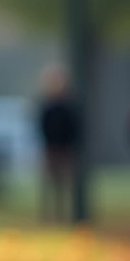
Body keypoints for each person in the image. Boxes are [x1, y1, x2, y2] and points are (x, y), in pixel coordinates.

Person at [36, 64, 80, 225]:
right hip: (50, 148)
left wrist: (69, 144)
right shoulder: (47, 106)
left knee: (63, 184)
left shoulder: (68, 107)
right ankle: (48, 216)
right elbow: (41, 126)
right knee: (49, 183)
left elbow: (75, 127)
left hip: (65, 149)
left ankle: (62, 215)